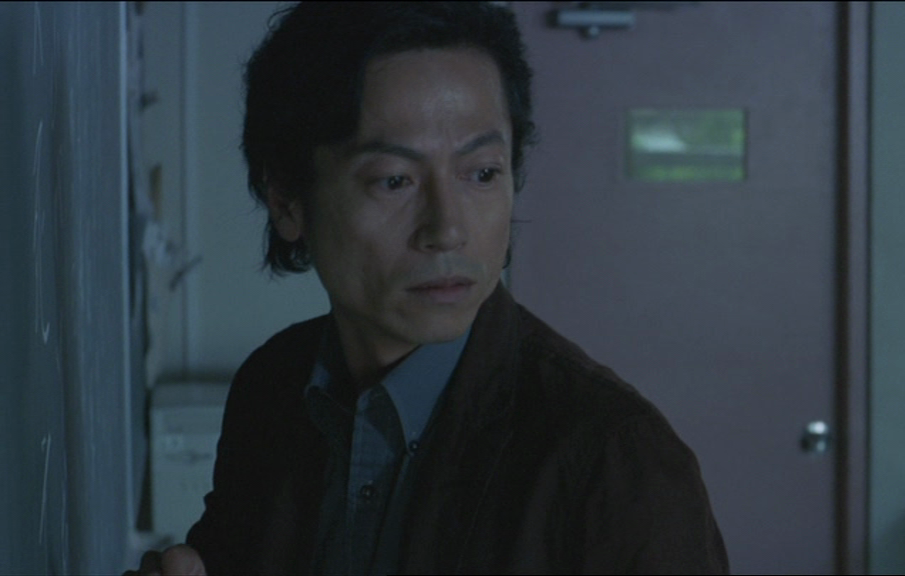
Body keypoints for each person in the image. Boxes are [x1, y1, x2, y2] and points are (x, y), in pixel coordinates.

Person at [131, 2, 728, 574]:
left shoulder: (615, 460)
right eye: (394, 180)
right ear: (288, 200)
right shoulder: (274, 387)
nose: (447, 229)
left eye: (483, 174)